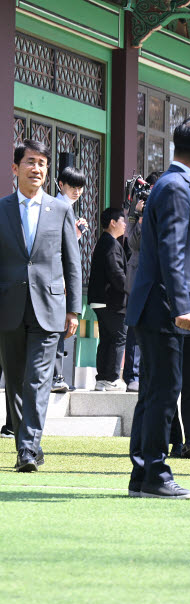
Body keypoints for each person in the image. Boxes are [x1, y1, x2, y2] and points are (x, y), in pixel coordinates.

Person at [125, 114, 190, 498]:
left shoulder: (171, 184)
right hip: (166, 307)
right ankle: (155, 474)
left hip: (157, 304)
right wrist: (183, 303)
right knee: (164, 392)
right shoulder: (178, 187)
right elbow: (171, 249)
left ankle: (142, 473)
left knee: (154, 391)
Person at [0, 140, 82, 472]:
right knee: (15, 382)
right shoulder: (2, 209)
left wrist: (74, 309)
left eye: (43, 164)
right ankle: (27, 446)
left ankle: (28, 449)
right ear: (15, 167)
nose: (37, 168)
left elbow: (72, 262)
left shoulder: (60, 209)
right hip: (9, 308)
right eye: (31, 162)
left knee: (37, 379)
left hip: (49, 308)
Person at [123, 170, 163, 393]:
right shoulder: (137, 210)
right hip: (139, 276)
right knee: (136, 328)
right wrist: (137, 214)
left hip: (160, 278)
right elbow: (134, 243)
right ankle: (133, 375)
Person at [51, 166, 88, 394]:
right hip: (54, 281)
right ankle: (55, 376)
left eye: (80, 187)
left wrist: (74, 236)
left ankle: (57, 375)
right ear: (60, 184)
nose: (77, 191)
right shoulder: (60, 207)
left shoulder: (66, 208)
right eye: (72, 186)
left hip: (59, 281)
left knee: (58, 329)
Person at [89, 207, 129, 391]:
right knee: (118, 338)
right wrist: (131, 290)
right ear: (113, 222)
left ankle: (102, 379)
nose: (125, 224)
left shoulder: (104, 242)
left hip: (101, 300)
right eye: (123, 220)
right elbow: (116, 274)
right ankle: (112, 378)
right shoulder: (112, 244)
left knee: (106, 339)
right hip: (111, 301)